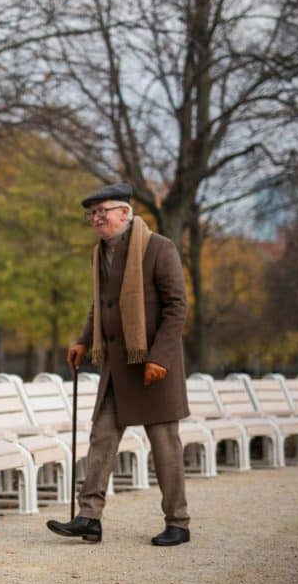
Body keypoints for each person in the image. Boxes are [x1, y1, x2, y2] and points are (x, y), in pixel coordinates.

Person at [46, 182, 191, 546]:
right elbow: (101, 305)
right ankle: (89, 518)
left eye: (102, 211)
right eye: (92, 214)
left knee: (165, 447)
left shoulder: (159, 248)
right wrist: (83, 338)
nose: (96, 218)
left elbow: (177, 308)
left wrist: (159, 357)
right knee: (102, 438)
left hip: (152, 367)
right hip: (116, 368)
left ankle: (178, 522)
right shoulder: (101, 253)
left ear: (124, 213)